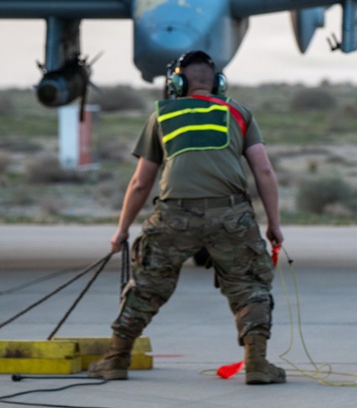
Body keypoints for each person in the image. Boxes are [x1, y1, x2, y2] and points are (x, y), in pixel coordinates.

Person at [88, 50, 286, 385]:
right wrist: (274, 224)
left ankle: (116, 359)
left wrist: (121, 230)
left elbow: (140, 182)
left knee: (147, 287)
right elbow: (264, 170)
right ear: (219, 83)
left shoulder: (162, 116)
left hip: (174, 215)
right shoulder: (238, 112)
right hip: (231, 215)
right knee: (250, 287)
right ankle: (256, 364)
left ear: (176, 83)